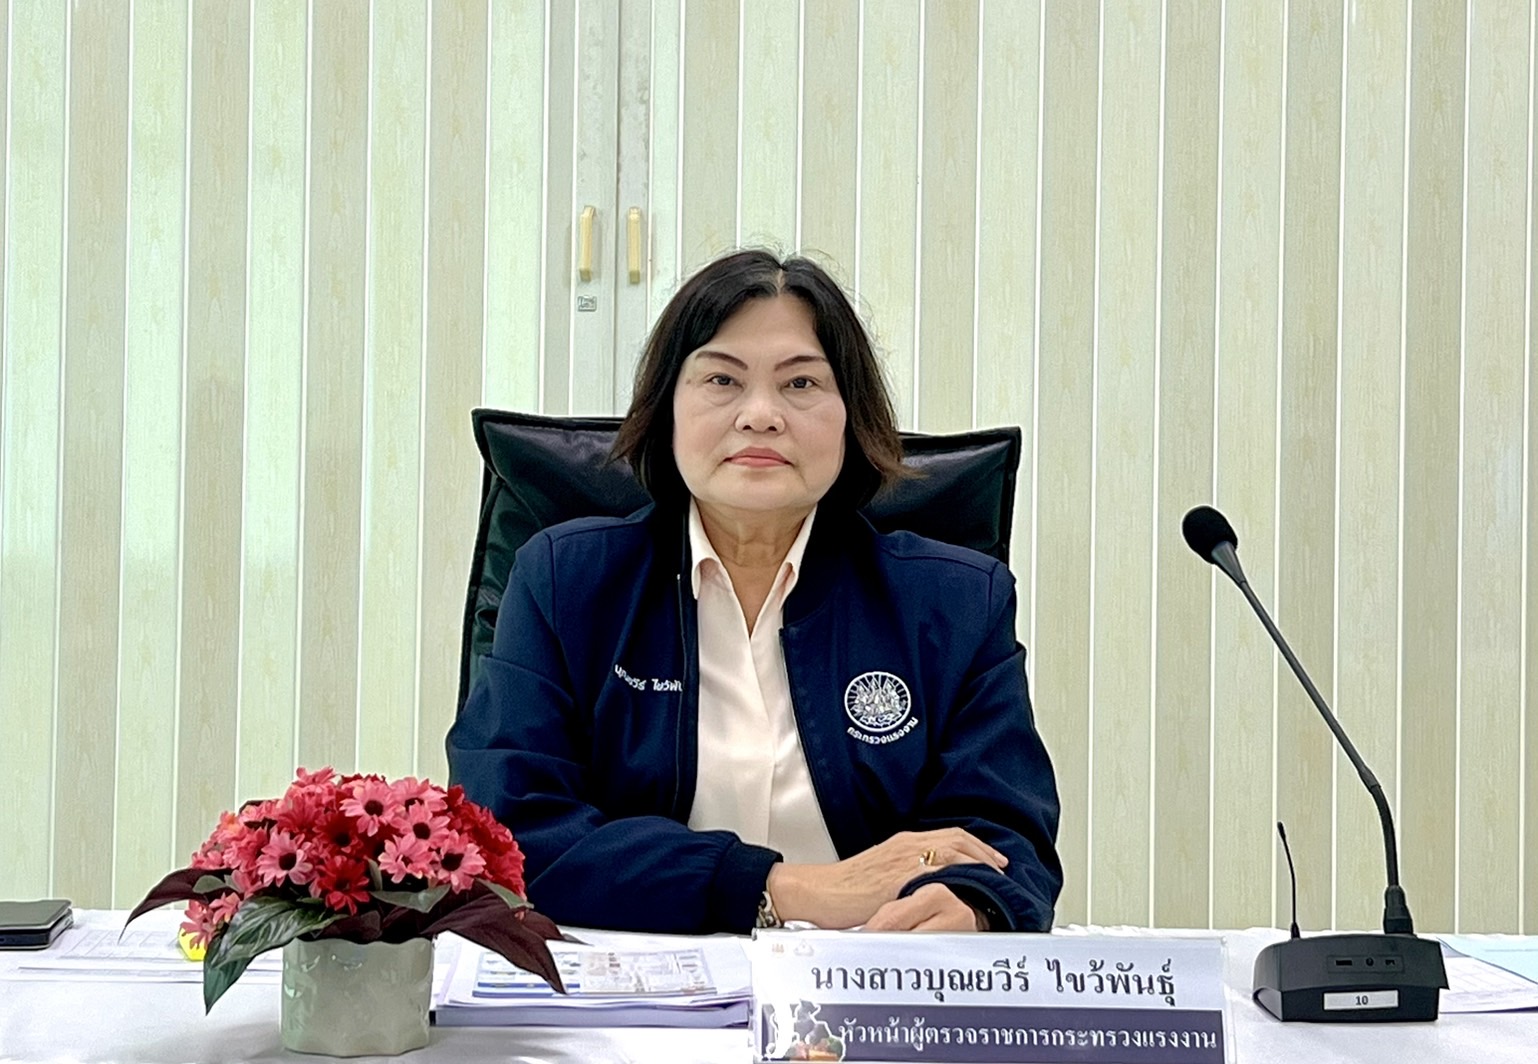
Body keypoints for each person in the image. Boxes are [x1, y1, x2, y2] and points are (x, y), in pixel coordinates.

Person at [448, 250, 1061, 934]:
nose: (761, 414)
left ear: (851, 416)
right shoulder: (566, 581)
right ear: (667, 408)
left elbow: (1007, 838)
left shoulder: (956, 601)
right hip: (631, 979)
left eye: (801, 383)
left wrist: (974, 906)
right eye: (722, 379)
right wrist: (780, 889)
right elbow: (512, 828)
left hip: (872, 977)